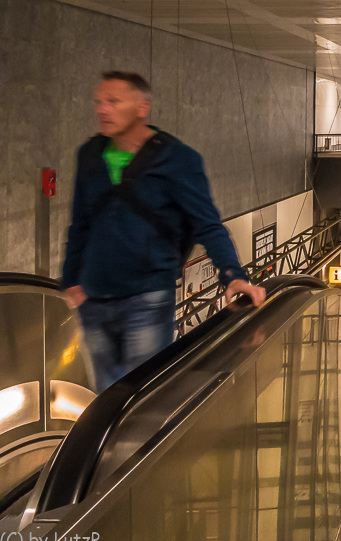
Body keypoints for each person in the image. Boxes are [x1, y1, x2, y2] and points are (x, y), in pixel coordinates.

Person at [62, 71, 266, 391]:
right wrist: (71, 279)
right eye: (98, 102)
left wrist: (233, 275)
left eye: (113, 101)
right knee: (105, 395)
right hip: (93, 298)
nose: (102, 109)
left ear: (142, 108)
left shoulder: (177, 159)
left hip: (146, 296)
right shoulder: (90, 154)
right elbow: (80, 223)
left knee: (142, 391)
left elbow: (207, 224)